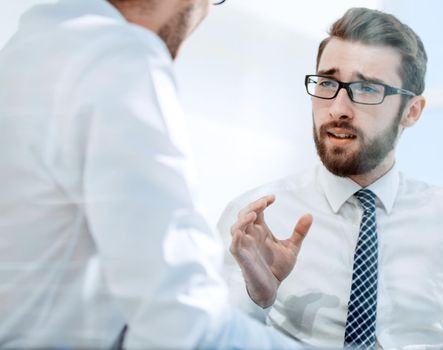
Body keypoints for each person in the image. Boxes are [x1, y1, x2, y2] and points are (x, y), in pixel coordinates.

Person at [0, 0, 306, 348]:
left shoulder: (28, 47)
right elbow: (180, 328)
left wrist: (257, 295)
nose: (205, 13)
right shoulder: (117, 56)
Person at [218, 7, 443, 350]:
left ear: (412, 111)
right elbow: (208, 339)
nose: (338, 108)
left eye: (366, 89)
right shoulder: (255, 221)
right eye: (328, 83)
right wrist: (257, 299)